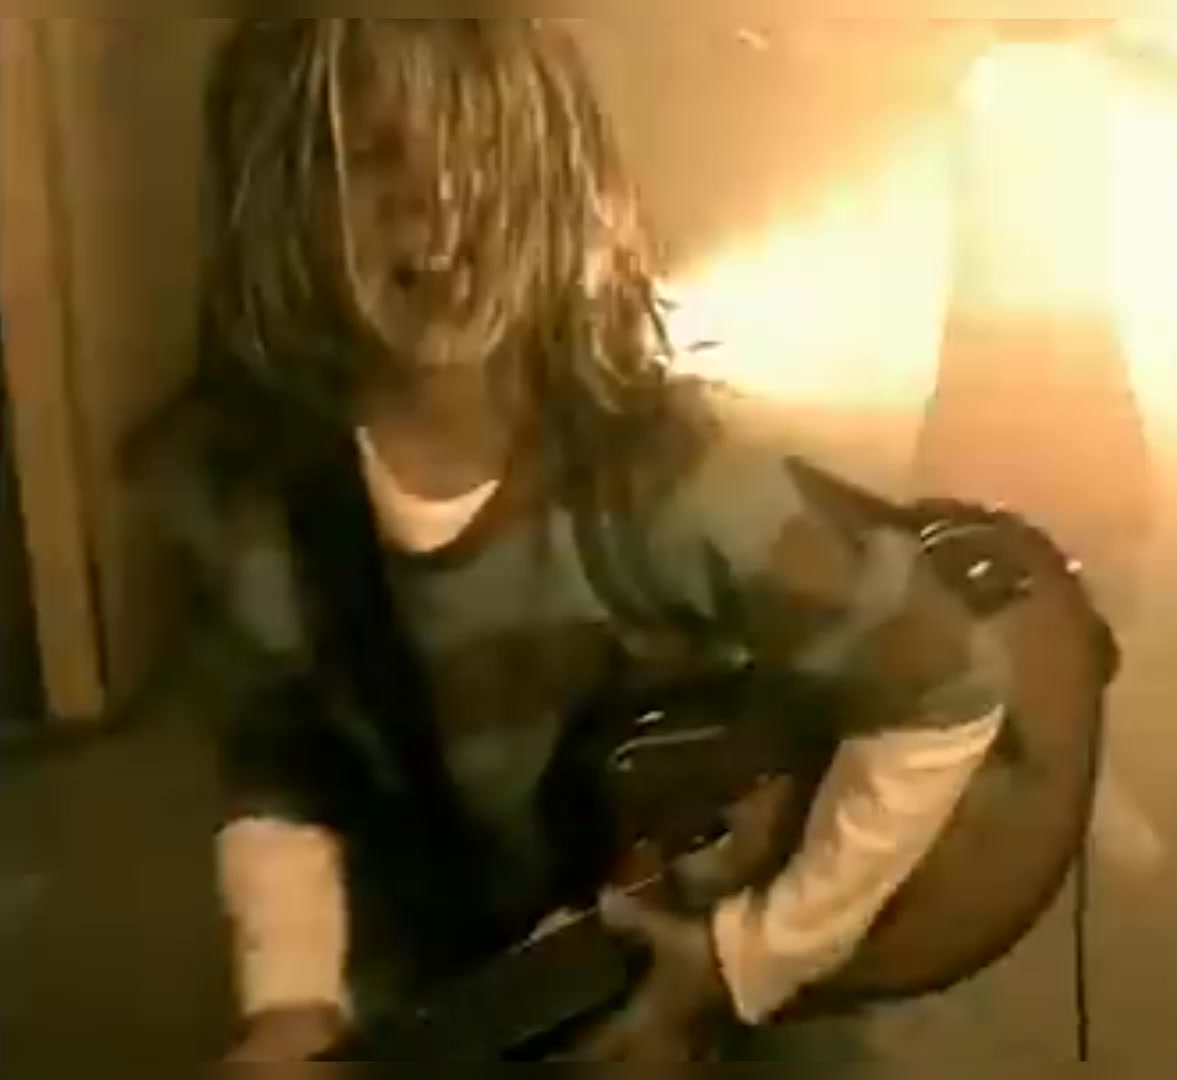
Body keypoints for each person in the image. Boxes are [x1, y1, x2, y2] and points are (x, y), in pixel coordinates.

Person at [145, 19, 1014, 1062]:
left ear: (563, 185)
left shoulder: (667, 488)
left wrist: (753, 954)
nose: (440, 200)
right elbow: (281, 767)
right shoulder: (258, 512)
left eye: (486, 150)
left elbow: (944, 681)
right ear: (282, 199)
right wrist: (291, 1002)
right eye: (371, 155)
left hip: (697, 996)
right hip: (460, 982)